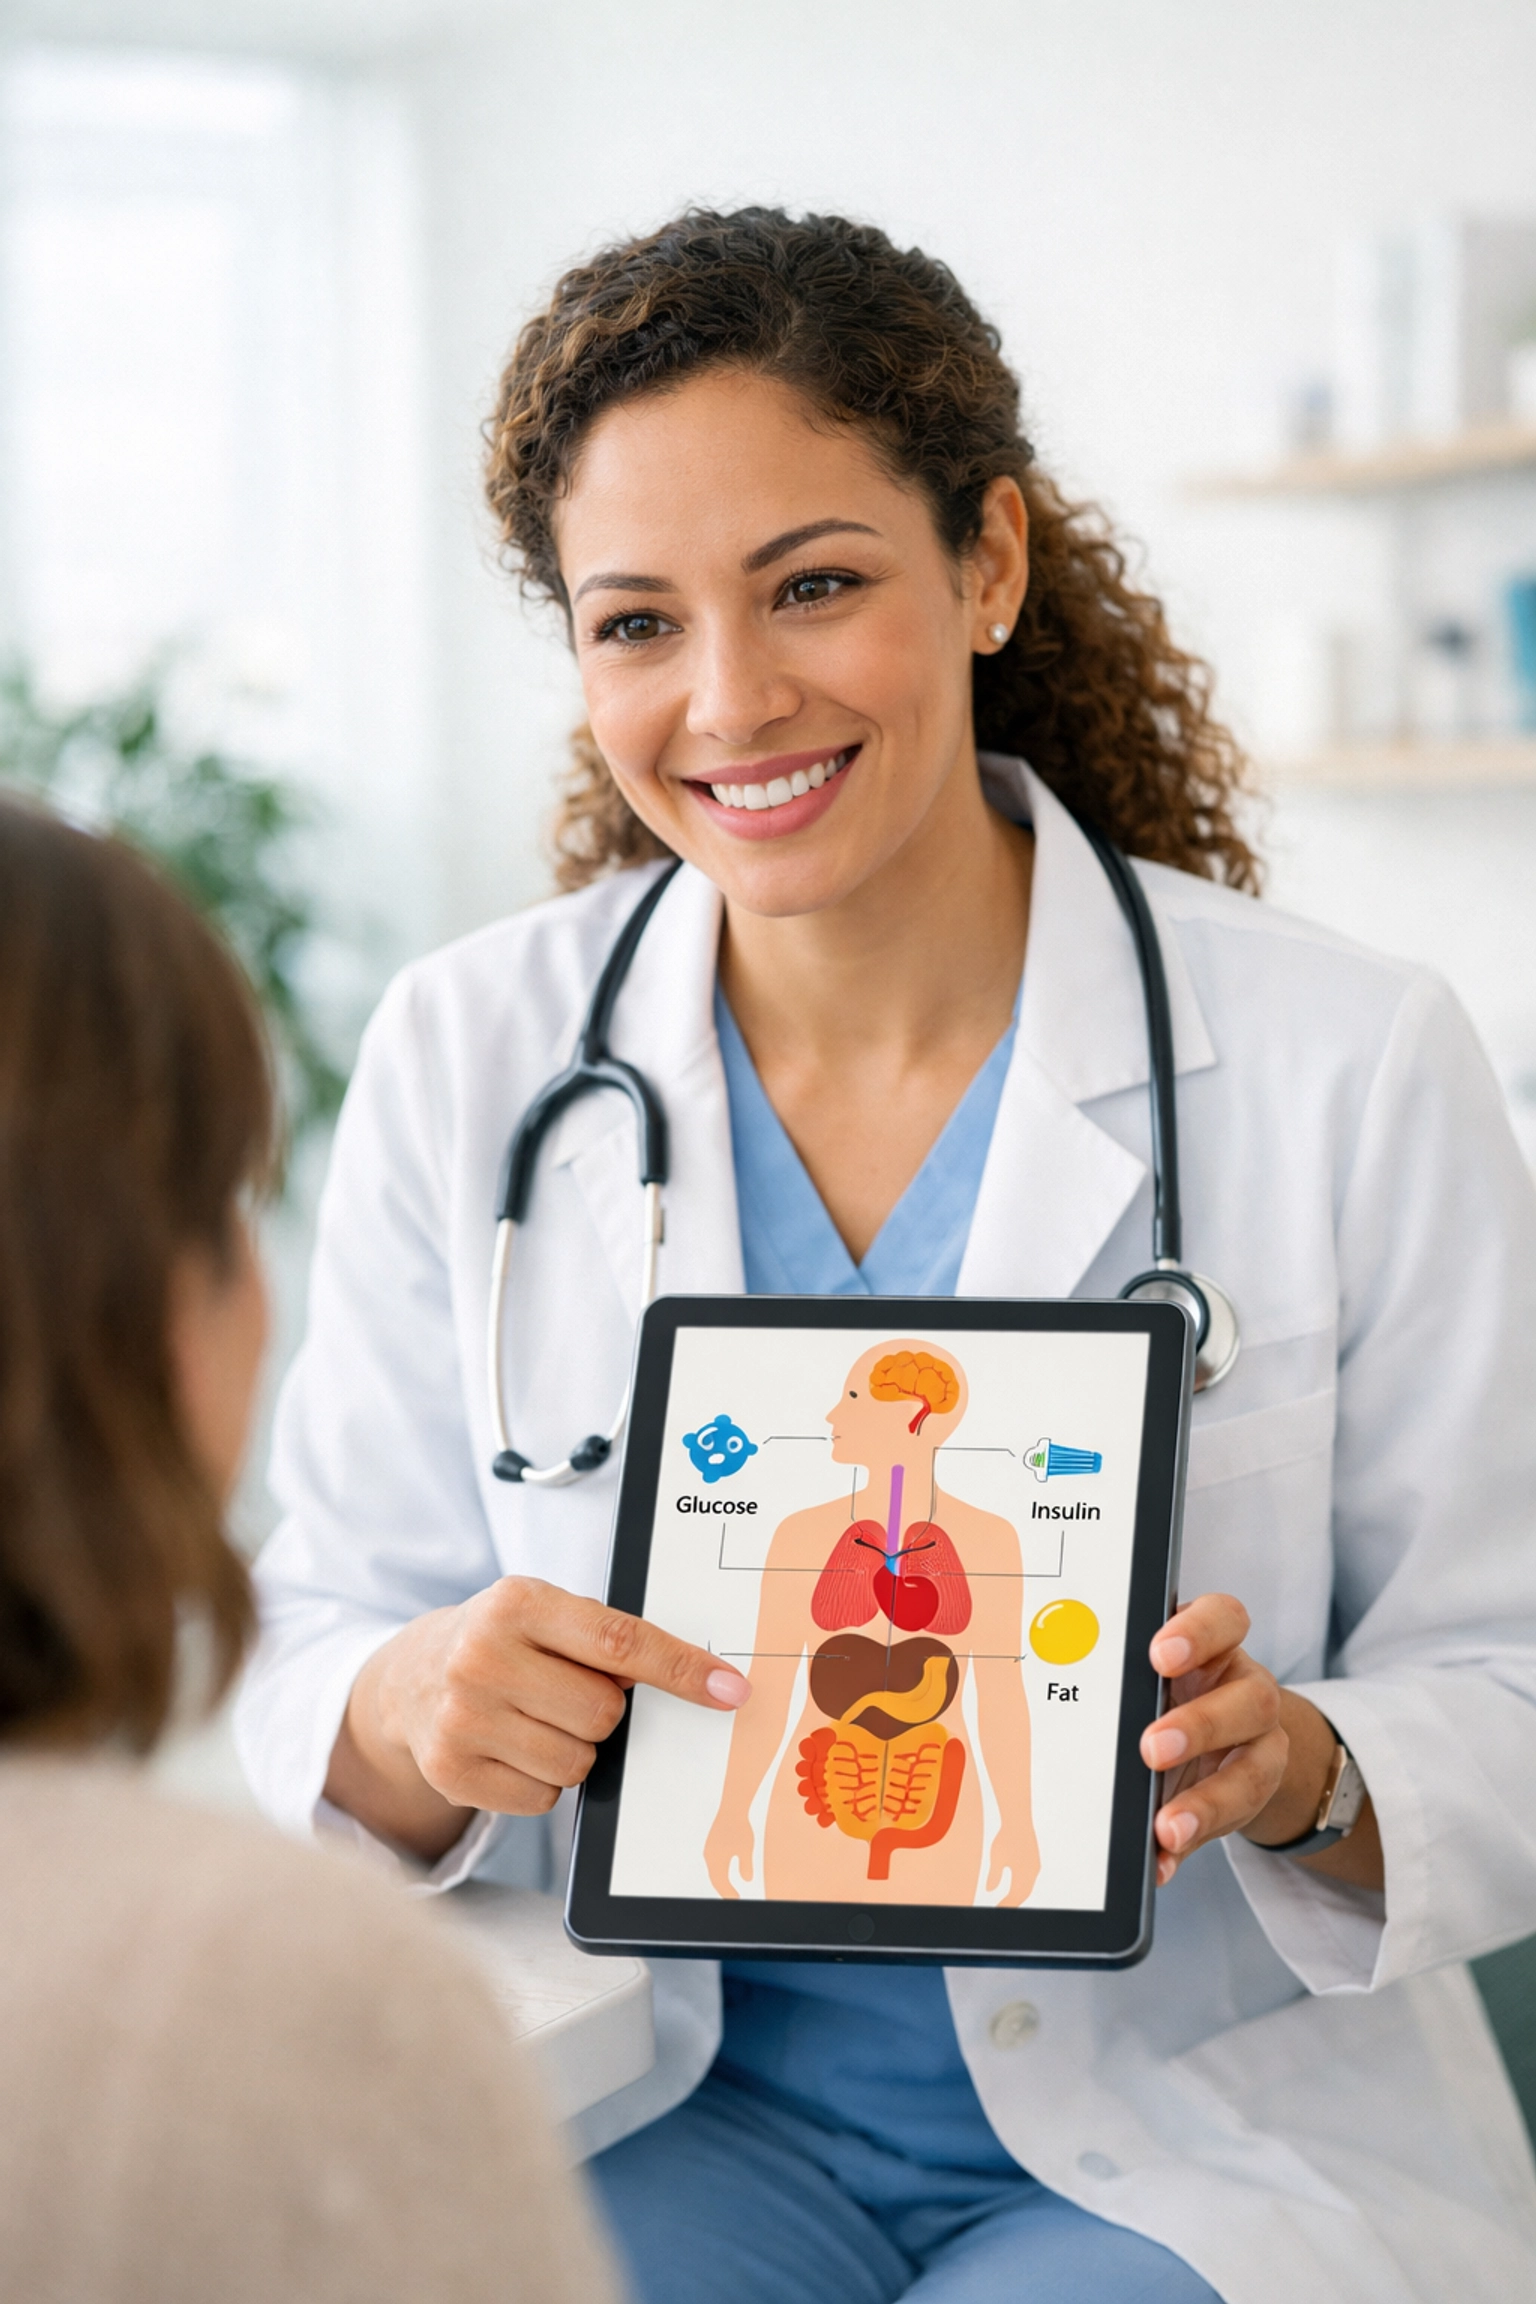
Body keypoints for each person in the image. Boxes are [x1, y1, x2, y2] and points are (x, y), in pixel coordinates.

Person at [236, 208, 1536, 2303]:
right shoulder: (474, 1055)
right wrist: (411, 1712)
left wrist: (1312, 1773)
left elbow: (1518, 1668)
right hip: (660, 2112)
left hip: (1192, 2139)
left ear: (989, 564)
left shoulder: (1347, 1058)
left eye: (815, 585)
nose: (728, 700)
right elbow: (324, 1624)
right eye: (634, 623)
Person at [0, 798, 620, 2304]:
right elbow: (337, 1603)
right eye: (232, 1205)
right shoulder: (269, 1996)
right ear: (160, 1307)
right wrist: (400, 1710)